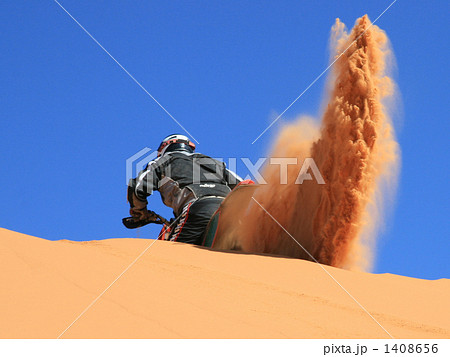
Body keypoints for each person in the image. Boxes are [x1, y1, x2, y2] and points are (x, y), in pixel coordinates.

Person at [127, 134, 242, 245]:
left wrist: (140, 211)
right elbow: (244, 186)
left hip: (198, 208)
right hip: (232, 212)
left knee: (170, 259)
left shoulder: (162, 161)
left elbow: (136, 187)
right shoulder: (215, 163)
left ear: (164, 147)